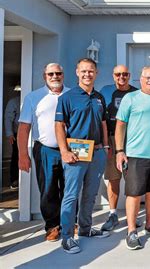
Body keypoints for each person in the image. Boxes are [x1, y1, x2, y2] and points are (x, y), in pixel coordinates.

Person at [55, 58, 110, 254]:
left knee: (90, 194)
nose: (87, 74)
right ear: (77, 72)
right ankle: (67, 237)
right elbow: (59, 126)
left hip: (96, 152)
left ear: (96, 73)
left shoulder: (99, 97)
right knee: (71, 195)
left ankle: (85, 229)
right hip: (76, 153)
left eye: (91, 71)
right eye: (84, 71)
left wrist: (105, 146)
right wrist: (64, 151)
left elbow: (103, 123)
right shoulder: (67, 98)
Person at [115, 66, 150, 250]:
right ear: (140, 79)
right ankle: (131, 231)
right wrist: (119, 150)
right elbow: (120, 125)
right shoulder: (130, 98)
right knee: (134, 193)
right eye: (148, 77)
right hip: (135, 155)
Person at [17, 63, 69, 241]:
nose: (55, 76)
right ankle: (52, 226)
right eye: (51, 74)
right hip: (45, 150)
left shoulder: (72, 94)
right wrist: (22, 155)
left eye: (58, 73)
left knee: (70, 188)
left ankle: (70, 223)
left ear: (63, 75)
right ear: (44, 76)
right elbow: (24, 128)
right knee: (48, 189)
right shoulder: (33, 97)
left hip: (70, 149)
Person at [99, 65, 138, 231]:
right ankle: (113, 214)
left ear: (129, 75)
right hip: (112, 140)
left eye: (125, 74)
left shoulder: (137, 93)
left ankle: (132, 217)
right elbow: (100, 118)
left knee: (133, 180)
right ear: (113, 76)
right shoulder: (105, 91)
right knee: (113, 178)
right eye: (117, 74)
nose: (121, 77)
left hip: (132, 140)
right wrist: (105, 142)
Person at [4, 93, 20, 189]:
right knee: (16, 156)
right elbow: (8, 118)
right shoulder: (14, 101)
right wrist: (9, 133)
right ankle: (14, 180)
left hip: (32, 134)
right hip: (17, 133)